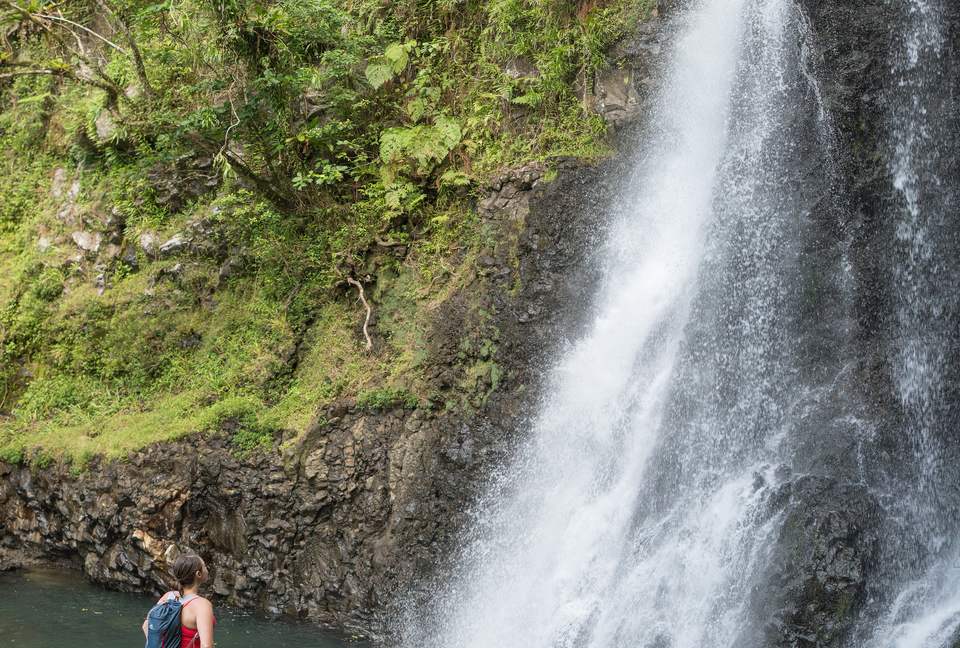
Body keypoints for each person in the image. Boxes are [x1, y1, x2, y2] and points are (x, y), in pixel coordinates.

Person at [142, 554, 216, 648]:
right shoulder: (202, 605)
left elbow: (146, 626)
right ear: (198, 574)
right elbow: (206, 646)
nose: (206, 569)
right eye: (204, 566)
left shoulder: (168, 596)